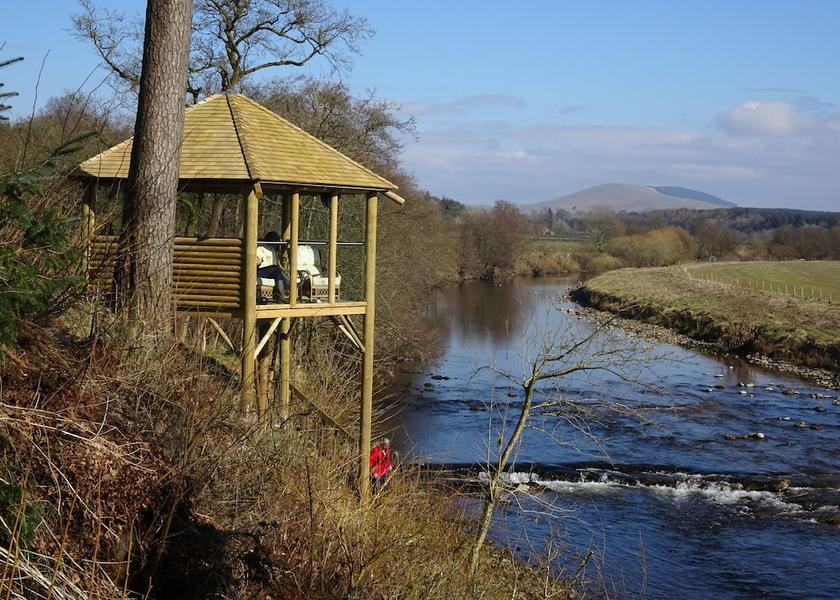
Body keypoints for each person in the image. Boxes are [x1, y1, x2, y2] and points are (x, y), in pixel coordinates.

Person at [257, 231, 290, 301]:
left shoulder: (273, 250)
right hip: (260, 271)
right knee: (275, 268)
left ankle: (280, 297)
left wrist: (284, 272)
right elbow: (257, 260)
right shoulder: (260, 248)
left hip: (272, 271)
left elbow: (278, 265)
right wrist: (258, 261)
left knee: (279, 274)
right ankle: (291, 284)